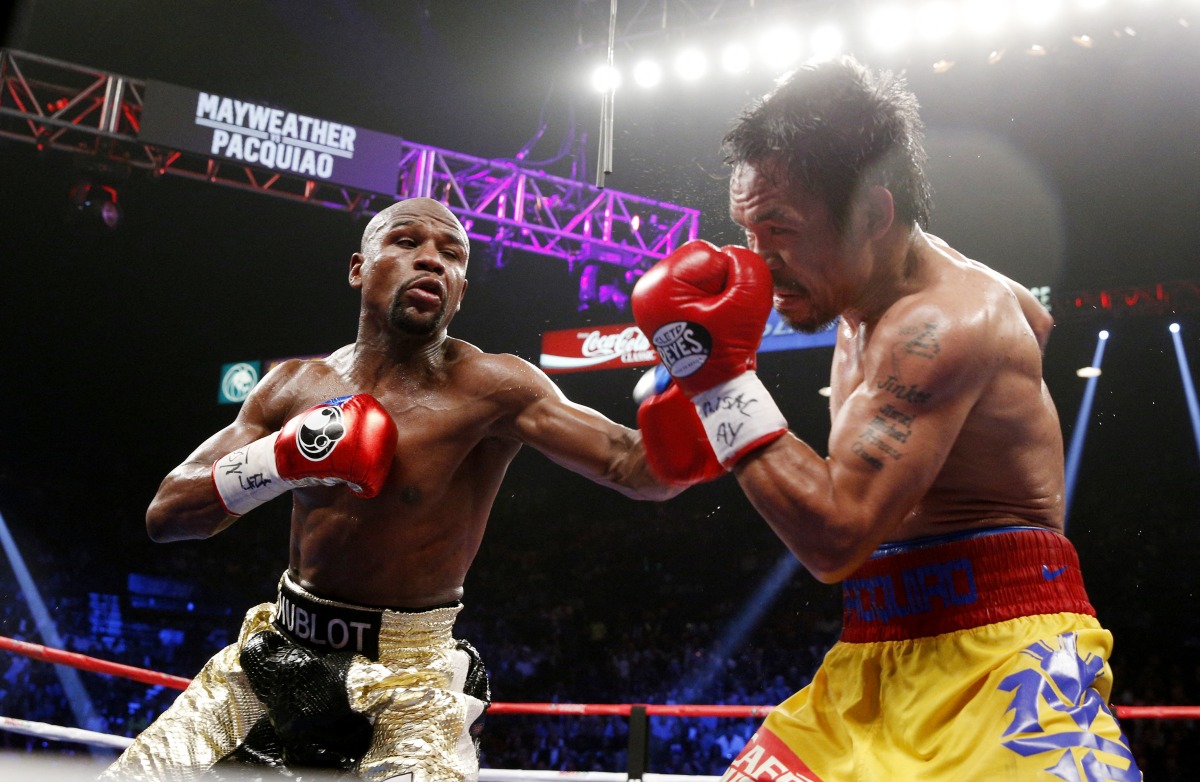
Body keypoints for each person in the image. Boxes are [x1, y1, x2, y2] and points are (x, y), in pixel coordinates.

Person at [631, 56, 1141, 780]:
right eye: (747, 229)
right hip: (874, 650)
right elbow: (1038, 317)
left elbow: (837, 537)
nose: (757, 259)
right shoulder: (880, 293)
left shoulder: (939, 323)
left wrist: (718, 384)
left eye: (778, 228)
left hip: (1005, 662)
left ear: (873, 213)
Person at [102, 197, 679, 782]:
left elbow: (637, 468)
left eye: (451, 254)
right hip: (274, 651)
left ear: (461, 289)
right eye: (407, 242)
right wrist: (280, 459)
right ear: (359, 268)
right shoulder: (294, 386)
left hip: (409, 679)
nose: (431, 260)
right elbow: (168, 514)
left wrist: (710, 381)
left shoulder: (495, 387)